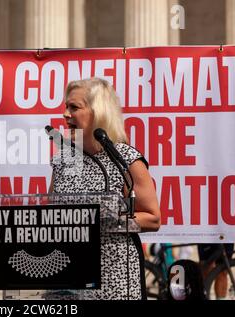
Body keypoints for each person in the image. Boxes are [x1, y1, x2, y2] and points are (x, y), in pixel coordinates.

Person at [47, 78, 161, 300]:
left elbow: (153, 218)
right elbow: (51, 212)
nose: (65, 114)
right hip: (68, 276)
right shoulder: (63, 160)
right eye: (65, 107)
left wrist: (102, 220)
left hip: (114, 278)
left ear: (97, 112)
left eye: (74, 107)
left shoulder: (126, 159)